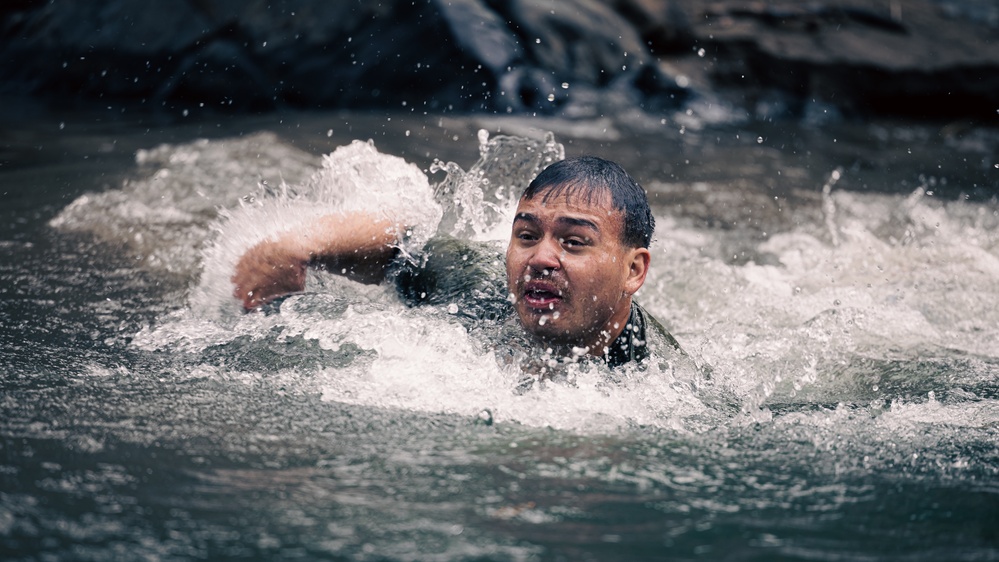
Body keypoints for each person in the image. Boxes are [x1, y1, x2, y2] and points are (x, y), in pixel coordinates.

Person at [231, 156, 685, 369]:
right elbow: (401, 241)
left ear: (634, 271)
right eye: (526, 236)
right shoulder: (479, 285)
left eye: (574, 242)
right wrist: (295, 246)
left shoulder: (662, 376)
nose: (541, 258)